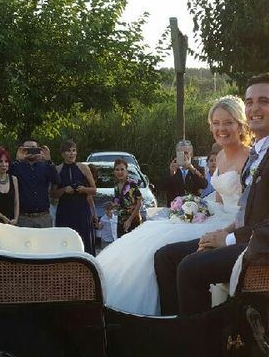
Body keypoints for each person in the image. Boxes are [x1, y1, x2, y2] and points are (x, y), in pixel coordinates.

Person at [154, 73, 269, 316]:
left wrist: (228, 240)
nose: (254, 108)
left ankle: (196, 345)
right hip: (247, 235)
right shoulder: (264, 148)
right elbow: (250, 207)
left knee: (190, 267)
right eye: (250, 101)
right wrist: (225, 231)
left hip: (268, 250)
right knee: (166, 256)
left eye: (264, 101)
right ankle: (174, 327)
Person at [97, 95, 251, 315]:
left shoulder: (249, 158)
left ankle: (178, 316)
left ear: (241, 124)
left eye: (228, 122)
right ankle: (169, 314)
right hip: (216, 213)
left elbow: (247, 205)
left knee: (164, 253)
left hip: (233, 223)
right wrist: (193, 205)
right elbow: (220, 195)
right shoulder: (223, 156)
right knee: (149, 239)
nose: (221, 128)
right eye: (216, 123)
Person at [51, 139, 97, 255]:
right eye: (68, 151)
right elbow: (53, 193)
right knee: (65, 241)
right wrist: (64, 190)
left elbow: (94, 190)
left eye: (74, 150)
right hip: (65, 211)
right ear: (62, 153)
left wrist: (83, 189)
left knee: (84, 240)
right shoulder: (58, 169)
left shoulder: (84, 168)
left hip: (82, 210)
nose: (72, 153)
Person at [10, 139, 59, 228]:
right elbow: (8, 181)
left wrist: (49, 160)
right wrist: (17, 160)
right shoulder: (17, 167)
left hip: (43, 217)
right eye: (27, 148)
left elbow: (56, 180)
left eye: (33, 148)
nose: (31, 150)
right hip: (23, 217)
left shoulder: (45, 166)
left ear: (38, 149)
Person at [112, 158, 143, 238]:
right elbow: (118, 202)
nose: (120, 172)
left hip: (133, 222)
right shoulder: (116, 185)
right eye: (117, 169)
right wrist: (113, 206)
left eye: (122, 169)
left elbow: (139, 203)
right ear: (114, 172)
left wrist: (129, 220)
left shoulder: (132, 184)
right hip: (120, 222)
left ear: (127, 171)